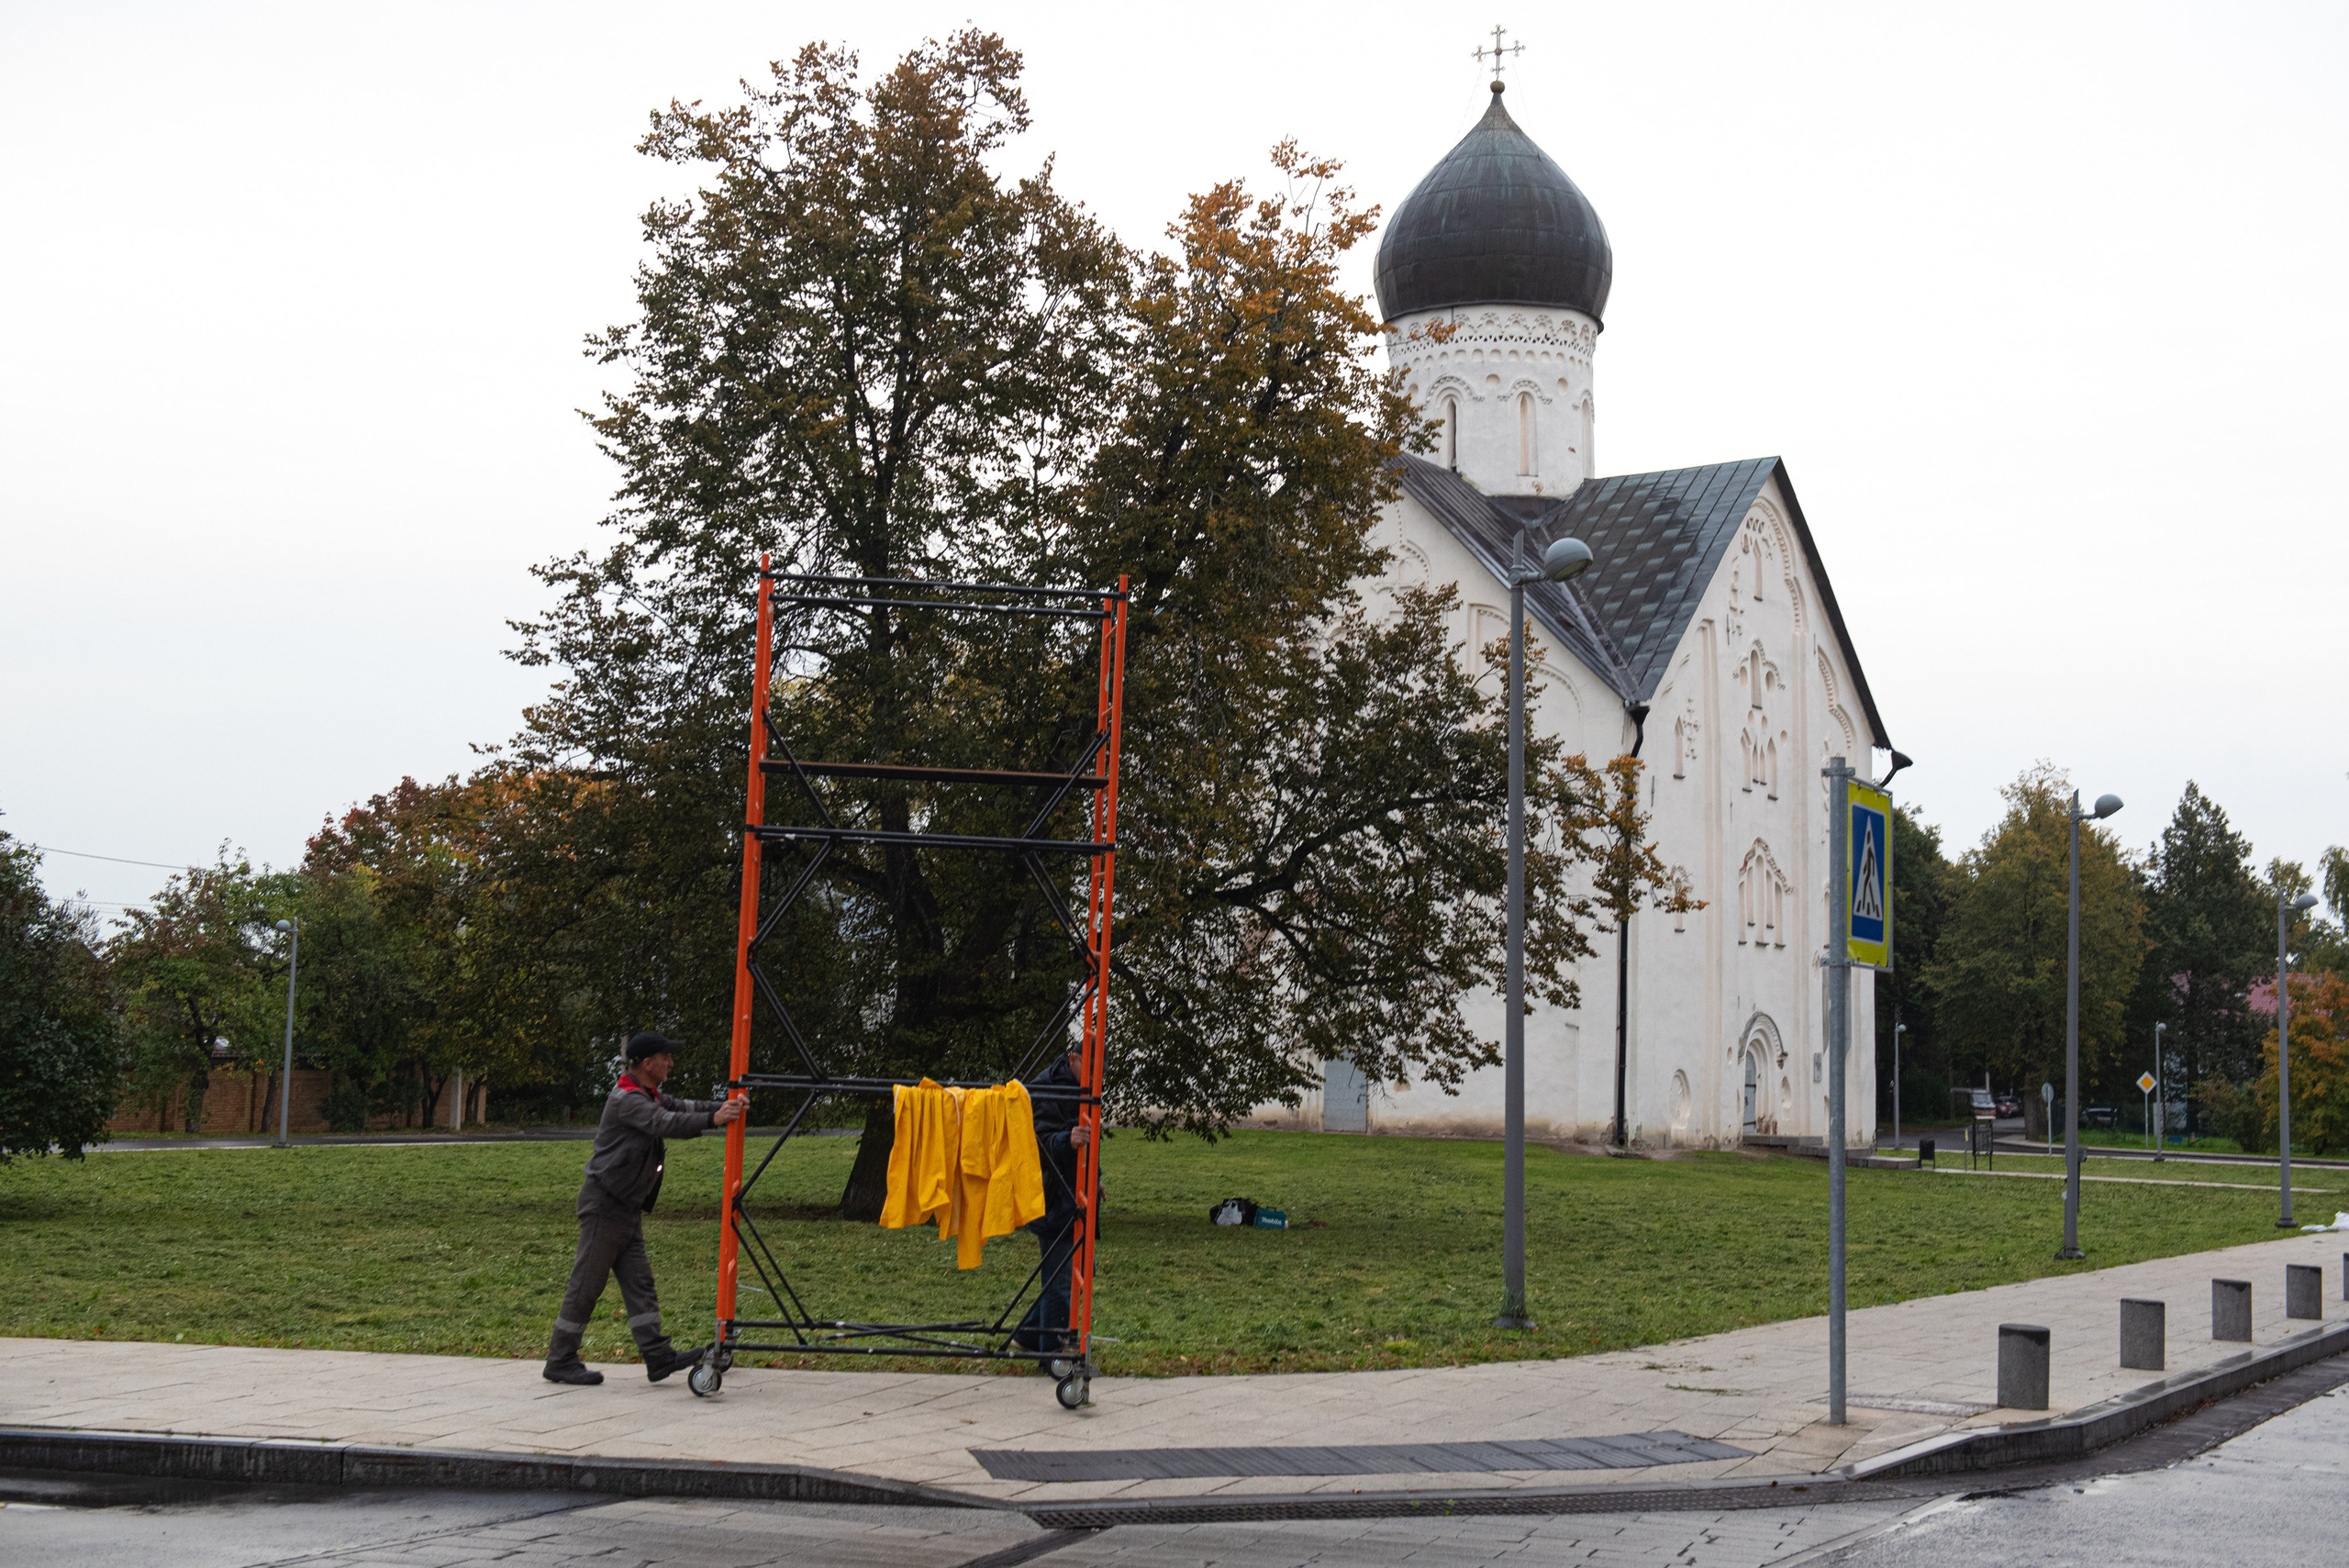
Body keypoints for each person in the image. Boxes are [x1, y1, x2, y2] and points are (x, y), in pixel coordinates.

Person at [542, 1030, 746, 1385]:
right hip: (605, 1206)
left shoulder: (648, 1094)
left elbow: (682, 1108)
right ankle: (560, 1360)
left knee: (640, 1285)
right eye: (666, 1057)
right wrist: (715, 1119)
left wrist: (724, 1107)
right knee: (586, 1286)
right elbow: (665, 1123)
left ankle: (657, 1356)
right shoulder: (628, 1100)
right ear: (647, 1063)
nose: (671, 1062)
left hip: (625, 1208)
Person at [1013, 1049, 1092, 1355]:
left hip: (1074, 1194)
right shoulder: (1046, 1089)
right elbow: (1033, 1141)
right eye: (1090, 1067)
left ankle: (1029, 1335)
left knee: (1082, 1270)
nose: (1095, 1076)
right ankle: (1052, 1355)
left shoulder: (1083, 1089)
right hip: (1052, 1196)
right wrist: (1065, 1140)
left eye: (1101, 1071)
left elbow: (1090, 1138)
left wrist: (1094, 1177)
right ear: (1073, 1059)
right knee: (1061, 1281)